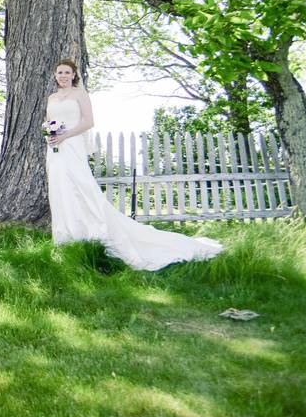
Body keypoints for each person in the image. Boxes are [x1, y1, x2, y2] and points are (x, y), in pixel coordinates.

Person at [45, 58, 222, 271]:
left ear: (74, 75)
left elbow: (88, 122)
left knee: (81, 188)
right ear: (55, 75)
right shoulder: (52, 97)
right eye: (59, 72)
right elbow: (49, 122)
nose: (63, 76)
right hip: (55, 151)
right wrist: (50, 135)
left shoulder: (80, 95)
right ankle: (65, 237)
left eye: (67, 72)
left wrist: (66, 135)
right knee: (59, 190)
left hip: (72, 146)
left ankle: (93, 232)